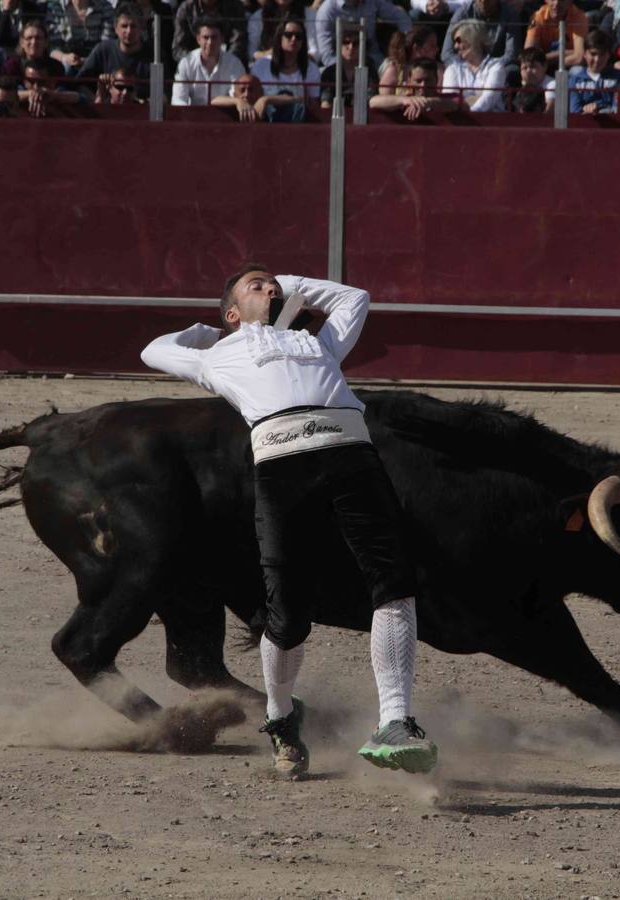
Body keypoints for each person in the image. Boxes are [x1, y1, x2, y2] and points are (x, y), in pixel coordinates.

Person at [139, 267, 438, 778]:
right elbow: (154, 350)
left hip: (353, 459)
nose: (271, 289)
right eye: (256, 285)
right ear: (232, 312)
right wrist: (210, 331)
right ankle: (280, 718)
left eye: (273, 284)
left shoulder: (320, 344)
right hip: (283, 469)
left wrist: (288, 283)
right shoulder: (216, 357)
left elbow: (356, 297)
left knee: (394, 584)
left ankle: (395, 720)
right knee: (289, 613)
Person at [77, 4, 154, 100]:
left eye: (133, 26)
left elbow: (164, 94)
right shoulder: (103, 50)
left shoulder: (155, 56)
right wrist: (97, 101)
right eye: (124, 26)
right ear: (115, 28)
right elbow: (80, 84)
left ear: (142, 28)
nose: (129, 31)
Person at [315, 0, 412, 68]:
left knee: (392, 69)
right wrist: (344, 70)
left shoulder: (373, 2)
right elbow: (326, 53)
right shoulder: (327, 10)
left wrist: (406, 40)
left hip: (373, 58)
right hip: (340, 63)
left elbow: (401, 17)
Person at [173, 16, 246, 105]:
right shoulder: (186, 63)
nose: (210, 42)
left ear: (222, 39)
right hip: (193, 113)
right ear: (198, 39)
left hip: (225, 113)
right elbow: (178, 100)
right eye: (206, 37)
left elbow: (238, 97)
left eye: (214, 37)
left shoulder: (234, 64)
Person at [249, 16, 319, 102]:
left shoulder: (311, 69)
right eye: (288, 35)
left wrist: (267, 99)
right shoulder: (260, 66)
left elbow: (313, 103)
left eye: (298, 36)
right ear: (279, 37)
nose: (294, 39)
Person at [443, 17, 506, 111]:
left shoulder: (495, 66)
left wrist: (469, 110)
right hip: (460, 118)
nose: (455, 46)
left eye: (458, 41)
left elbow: (489, 98)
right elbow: (450, 100)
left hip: (492, 118)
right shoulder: (452, 69)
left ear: (474, 39)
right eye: (454, 42)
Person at [369, 56, 462, 116]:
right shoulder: (405, 100)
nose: (423, 85)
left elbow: (458, 104)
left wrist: (429, 102)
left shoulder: (448, 98)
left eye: (428, 80)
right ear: (409, 81)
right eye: (418, 81)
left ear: (436, 80)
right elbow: (373, 102)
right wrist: (405, 100)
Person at [442, 0, 522, 66]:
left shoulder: (509, 14)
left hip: (497, 66)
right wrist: (466, 68)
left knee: (512, 69)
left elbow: (511, 53)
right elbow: (447, 53)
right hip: (465, 67)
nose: (484, 2)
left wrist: (489, 67)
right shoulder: (462, 14)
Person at [173, 0, 249, 65]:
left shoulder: (234, 6)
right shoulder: (187, 8)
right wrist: (196, 62)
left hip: (228, 63)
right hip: (194, 65)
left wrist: (224, 62)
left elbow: (239, 42)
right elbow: (178, 47)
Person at [45, 0, 109, 75]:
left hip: (96, 61)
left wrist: (86, 61)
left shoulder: (104, 7)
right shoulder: (55, 7)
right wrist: (64, 57)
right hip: (65, 62)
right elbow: (52, 47)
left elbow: (106, 46)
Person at [569, 28, 620, 113]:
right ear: (584, 54)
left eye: (602, 54)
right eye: (593, 54)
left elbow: (619, 109)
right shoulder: (575, 80)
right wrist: (586, 110)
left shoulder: (618, 77)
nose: (597, 59)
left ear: (608, 55)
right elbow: (574, 110)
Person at [250, 0, 321, 63]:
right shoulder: (258, 16)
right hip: (268, 65)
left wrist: (292, 57)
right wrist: (269, 54)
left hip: (301, 67)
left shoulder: (309, 15)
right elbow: (251, 53)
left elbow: (315, 52)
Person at [524, 0, 587, 70]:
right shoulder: (538, 16)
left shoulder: (579, 16)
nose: (557, 4)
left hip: (568, 66)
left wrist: (546, 60)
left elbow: (579, 57)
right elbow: (528, 56)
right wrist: (566, 53)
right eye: (553, 0)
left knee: (577, 70)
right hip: (542, 69)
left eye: (562, 0)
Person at [379, 24, 440, 94]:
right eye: (432, 45)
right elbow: (384, 98)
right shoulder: (394, 70)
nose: (437, 49)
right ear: (416, 48)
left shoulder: (438, 69)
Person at [320, 23, 363, 109]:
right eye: (346, 42)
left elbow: (370, 100)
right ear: (338, 46)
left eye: (356, 43)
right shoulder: (329, 73)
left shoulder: (369, 72)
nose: (351, 47)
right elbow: (326, 103)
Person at [511, 46, 554, 112]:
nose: (528, 71)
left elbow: (549, 110)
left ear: (545, 66)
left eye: (533, 66)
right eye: (525, 68)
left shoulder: (552, 84)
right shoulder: (518, 85)